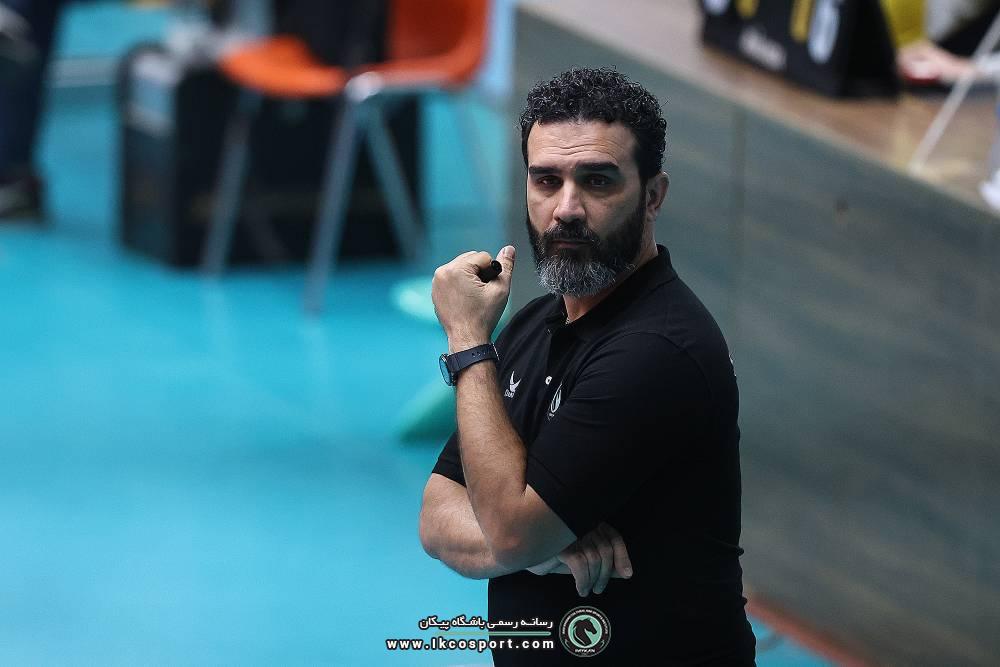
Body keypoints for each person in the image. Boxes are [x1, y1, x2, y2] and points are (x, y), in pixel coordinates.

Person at [420, 67, 755, 665]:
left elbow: (510, 531)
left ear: (653, 195)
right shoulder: (537, 322)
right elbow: (437, 515)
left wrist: (468, 340)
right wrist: (533, 548)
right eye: (546, 180)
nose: (566, 209)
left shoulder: (656, 350)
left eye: (597, 181)